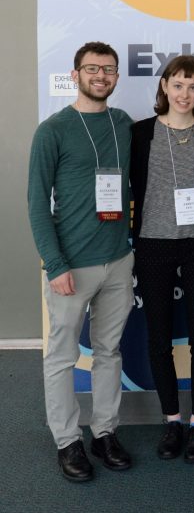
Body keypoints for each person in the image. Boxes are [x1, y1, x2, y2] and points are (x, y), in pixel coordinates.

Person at [28, 42, 134, 482]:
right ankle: (67, 440)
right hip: (71, 265)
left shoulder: (123, 124)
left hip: (118, 260)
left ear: (115, 77)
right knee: (62, 356)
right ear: (75, 75)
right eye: (92, 69)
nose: (101, 76)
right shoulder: (52, 131)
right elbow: (37, 203)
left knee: (109, 352)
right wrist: (55, 264)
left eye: (108, 70)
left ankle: (104, 431)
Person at [130, 55, 194, 464]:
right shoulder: (140, 133)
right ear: (164, 86)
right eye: (178, 84)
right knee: (159, 338)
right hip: (154, 241)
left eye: (193, 86)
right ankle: (172, 420)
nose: (185, 93)